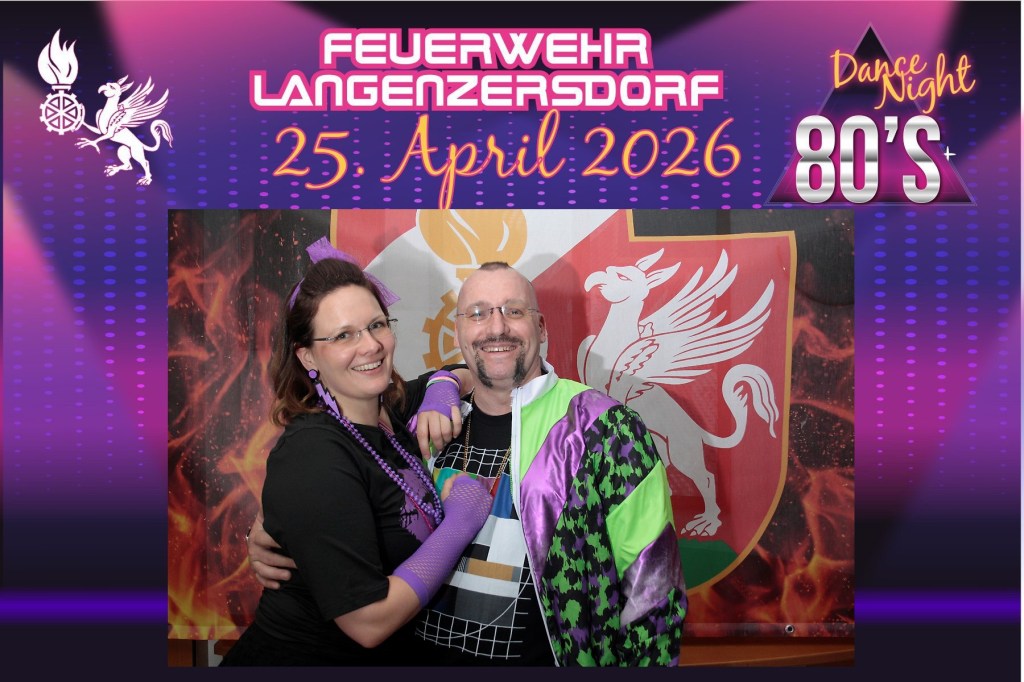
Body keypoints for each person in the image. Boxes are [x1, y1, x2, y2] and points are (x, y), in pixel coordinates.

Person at [248, 261, 688, 666]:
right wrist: (272, 528)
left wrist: (443, 379)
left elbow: (654, 594)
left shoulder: (604, 429)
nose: (496, 327)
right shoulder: (418, 427)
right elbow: (318, 492)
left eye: (514, 311)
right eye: (477, 314)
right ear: (457, 332)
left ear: (540, 326)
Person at [221, 239, 492, 666]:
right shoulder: (313, 455)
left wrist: (444, 384)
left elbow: (471, 373)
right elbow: (367, 623)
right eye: (344, 335)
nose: (370, 346)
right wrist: (459, 525)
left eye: (376, 325)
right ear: (307, 355)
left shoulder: (389, 410)